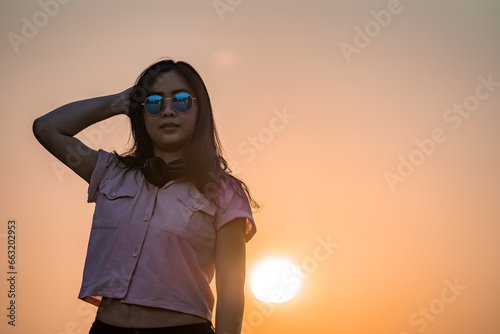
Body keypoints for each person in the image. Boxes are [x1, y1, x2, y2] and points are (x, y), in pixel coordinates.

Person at [33, 59, 258, 334]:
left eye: (182, 100)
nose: (168, 111)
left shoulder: (225, 191)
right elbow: (46, 128)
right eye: (153, 102)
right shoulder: (111, 173)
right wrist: (120, 102)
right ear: (141, 113)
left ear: (201, 111)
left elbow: (232, 291)